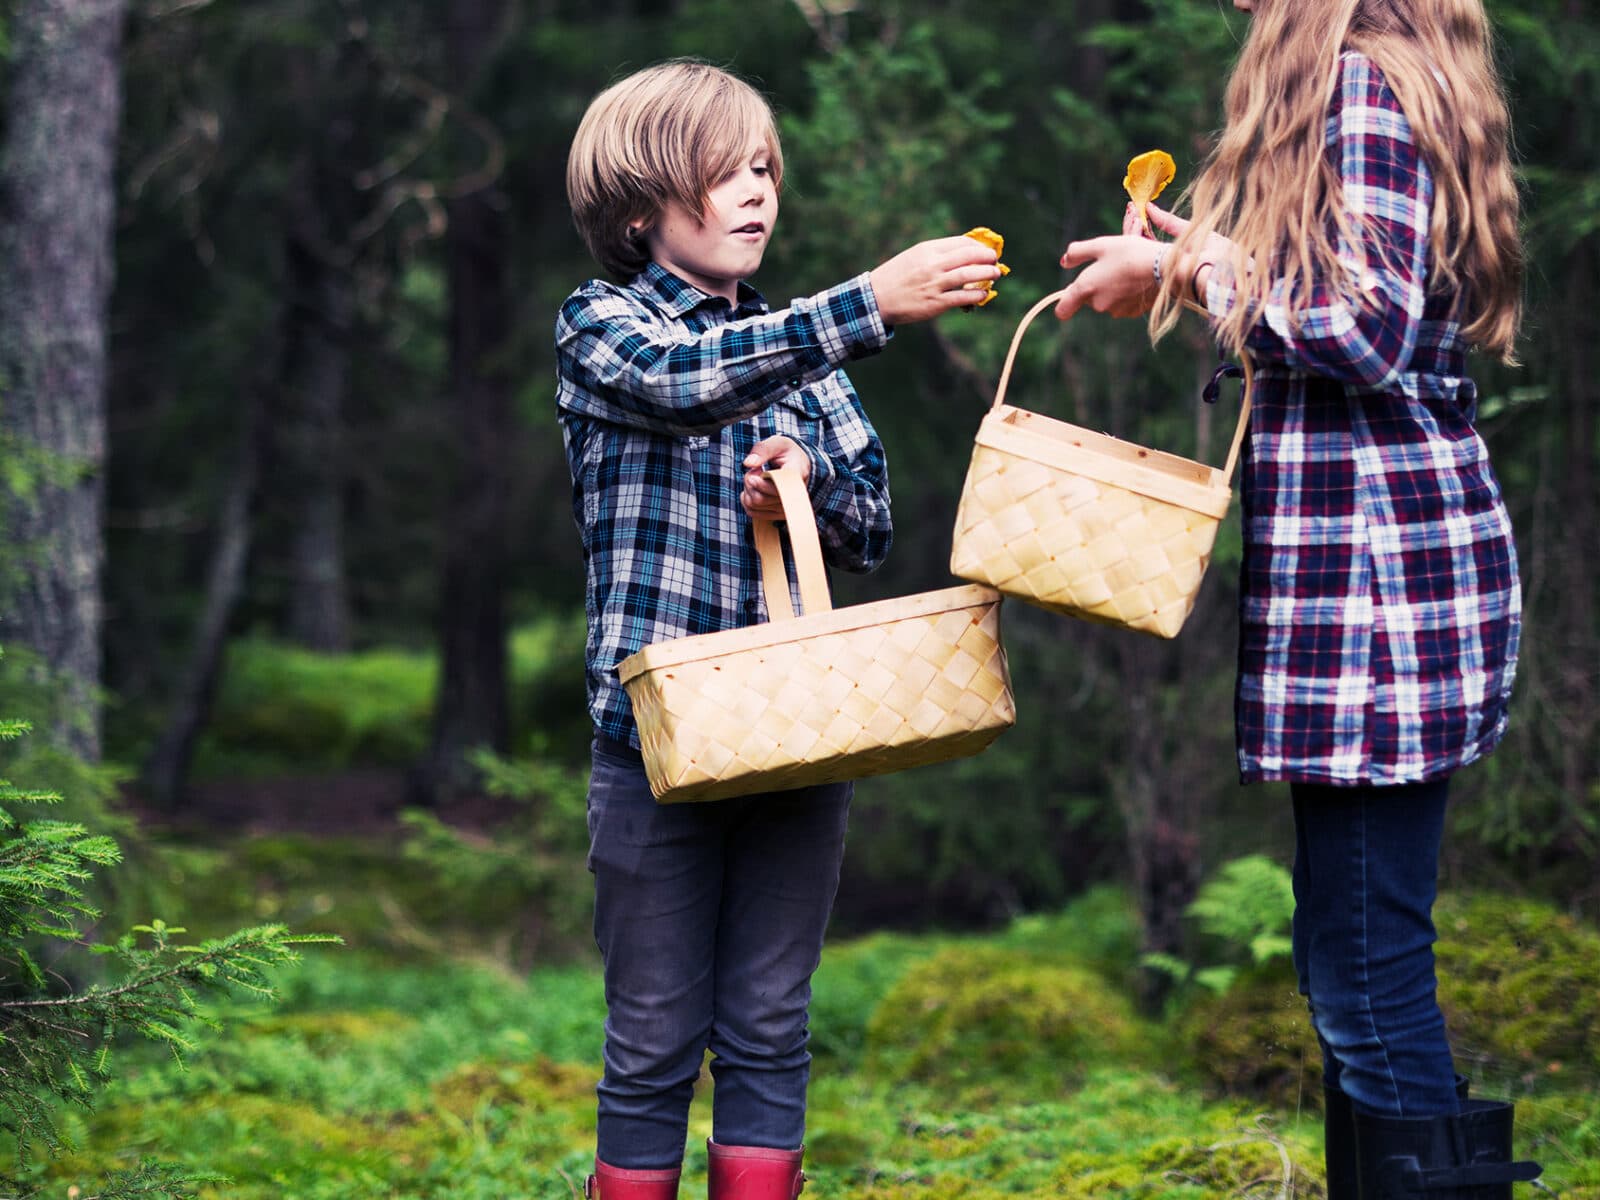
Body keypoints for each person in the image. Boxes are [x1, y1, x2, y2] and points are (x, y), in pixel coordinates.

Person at [1052, 2, 1541, 1197]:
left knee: (1364, 978)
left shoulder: (1359, 91)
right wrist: (1212, 255)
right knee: (1356, 962)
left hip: (1379, 600)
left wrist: (1186, 264)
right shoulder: (1381, 86)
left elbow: (1363, 332)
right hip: (1383, 583)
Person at [557, 59, 1002, 1200]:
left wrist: (802, 480)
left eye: (763, 169)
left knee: (768, 1028)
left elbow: (870, 527)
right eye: (723, 173)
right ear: (643, 203)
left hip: (800, 742)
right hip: (654, 753)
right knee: (651, 1042)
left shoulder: (806, 357)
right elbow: (679, 381)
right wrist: (865, 304)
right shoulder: (601, 325)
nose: (756, 193)